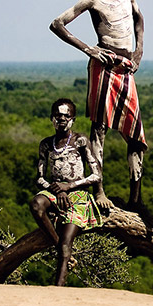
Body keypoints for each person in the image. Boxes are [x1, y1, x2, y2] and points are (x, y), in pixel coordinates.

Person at [50, 0, 147, 210]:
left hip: (126, 68)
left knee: (136, 136)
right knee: (99, 129)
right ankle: (99, 191)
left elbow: (139, 18)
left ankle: (136, 199)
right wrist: (89, 49)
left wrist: (138, 51)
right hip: (103, 68)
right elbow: (58, 24)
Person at [29, 98, 109, 286]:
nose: (62, 119)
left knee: (67, 245)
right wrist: (57, 190)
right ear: (51, 118)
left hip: (78, 195)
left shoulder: (80, 141)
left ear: (73, 119)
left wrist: (69, 186)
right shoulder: (46, 144)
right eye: (58, 115)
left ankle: (58, 290)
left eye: (66, 116)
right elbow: (39, 178)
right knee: (36, 204)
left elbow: (96, 174)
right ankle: (59, 246)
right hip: (55, 192)